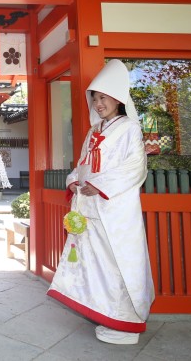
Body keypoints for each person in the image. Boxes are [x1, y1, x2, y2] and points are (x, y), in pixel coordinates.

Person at [47, 59, 154, 345]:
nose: (98, 103)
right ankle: (104, 313)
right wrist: (73, 179)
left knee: (117, 262)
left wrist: (101, 184)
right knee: (96, 265)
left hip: (114, 210)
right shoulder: (94, 131)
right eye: (94, 99)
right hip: (91, 207)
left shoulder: (129, 128)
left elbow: (135, 168)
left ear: (117, 99)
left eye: (103, 98)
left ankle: (125, 322)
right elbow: (82, 164)